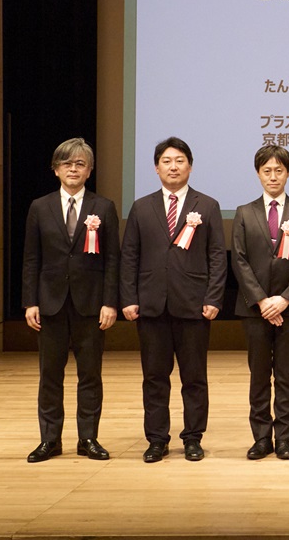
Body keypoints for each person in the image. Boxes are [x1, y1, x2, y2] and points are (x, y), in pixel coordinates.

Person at [121, 137, 227, 463]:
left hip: (193, 305)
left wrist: (214, 298)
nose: (173, 166)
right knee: (154, 377)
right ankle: (156, 439)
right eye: (166, 161)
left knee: (194, 378)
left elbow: (217, 257)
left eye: (179, 160)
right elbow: (129, 256)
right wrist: (128, 297)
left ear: (190, 166)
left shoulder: (206, 205)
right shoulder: (141, 206)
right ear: (156, 168)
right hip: (151, 305)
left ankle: (193, 438)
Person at [21, 137, 120, 462]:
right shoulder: (40, 206)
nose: (73, 169)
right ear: (55, 169)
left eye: (80, 164)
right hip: (49, 304)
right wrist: (30, 301)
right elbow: (31, 259)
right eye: (67, 163)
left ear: (89, 170)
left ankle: (88, 438)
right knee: (50, 375)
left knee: (90, 375)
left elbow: (112, 260)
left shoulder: (103, 207)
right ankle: (50, 439)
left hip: (91, 305)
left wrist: (110, 302)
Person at [233, 145, 289, 461]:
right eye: (267, 170)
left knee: (284, 375)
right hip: (254, 310)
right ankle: (260, 439)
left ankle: (283, 438)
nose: (273, 176)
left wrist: (283, 300)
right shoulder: (244, 212)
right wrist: (262, 301)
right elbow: (239, 261)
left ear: (288, 173)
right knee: (258, 375)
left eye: (279, 170)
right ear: (258, 173)